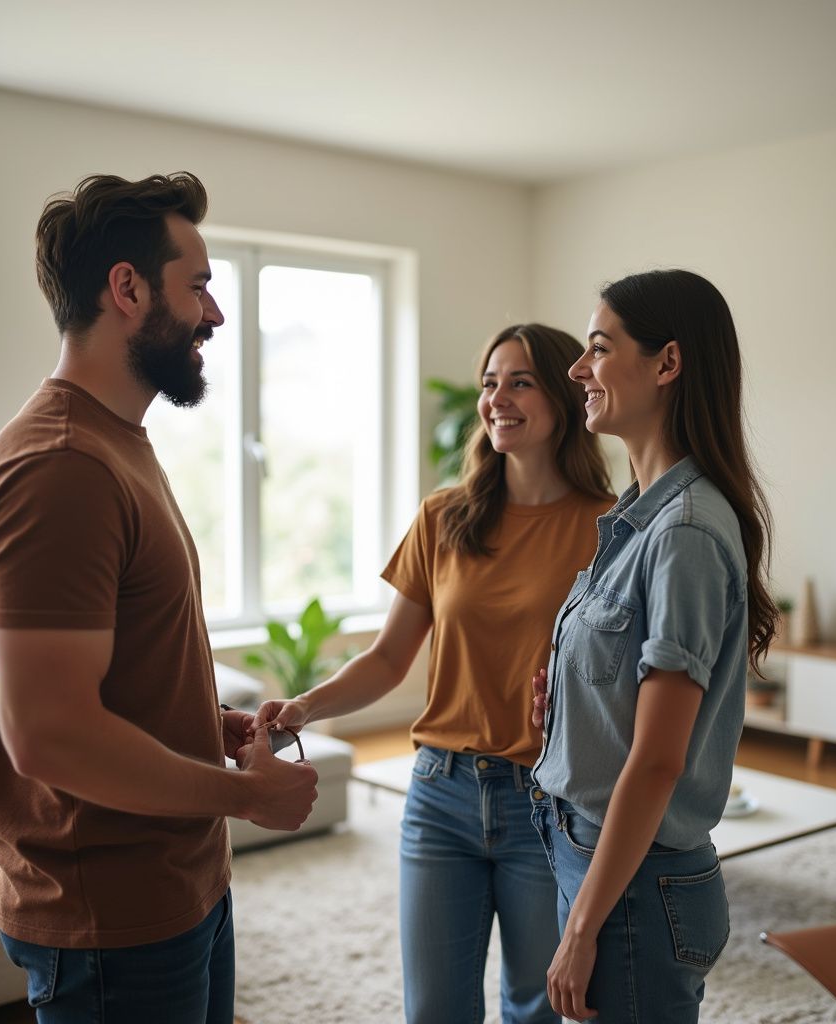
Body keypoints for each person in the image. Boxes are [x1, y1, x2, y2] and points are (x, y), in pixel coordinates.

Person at [0, 172, 318, 1022]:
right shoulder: (62, 467)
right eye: (197, 285)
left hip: (177, 885)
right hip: (109, 920)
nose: (216, 314)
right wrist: (247, 797)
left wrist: (205, 728)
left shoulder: (114, 443)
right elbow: (49, 735)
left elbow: (118, 672)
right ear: (127, 288)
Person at [253, 324, 614, 1023]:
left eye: (520, 381)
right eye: (489, 382)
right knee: (434, 1013)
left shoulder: (606, 528)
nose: (496, 398)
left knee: (534, 1008)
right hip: (439, 797)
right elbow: (390, 658)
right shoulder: (444, 517)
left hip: (547, 801)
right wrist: (304, 706)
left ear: (566, 398)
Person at [530, 269, 779, 1023]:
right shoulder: (638, 516)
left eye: (599, 348)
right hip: (599, 859)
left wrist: (582, 927)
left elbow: (661, 757)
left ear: (667, 364)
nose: (577, 369)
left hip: (637, 889)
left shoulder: (686, 533)